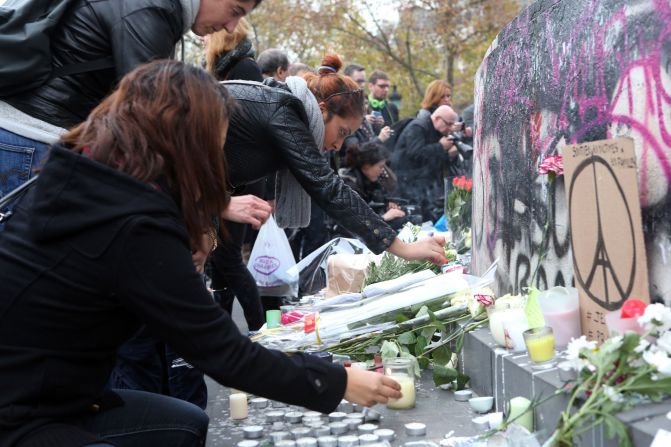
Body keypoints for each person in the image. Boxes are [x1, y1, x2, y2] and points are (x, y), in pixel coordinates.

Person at [0, 60, 402, 447]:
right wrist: (338, 382)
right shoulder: (134, 224)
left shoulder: (91, 182)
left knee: (186, 420)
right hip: (26, 416)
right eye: (219, 141)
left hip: (53, 393)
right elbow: (221, 351)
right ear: (188, 140)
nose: (220, 157)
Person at [0, 0, 263, 202]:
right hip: (33, 142)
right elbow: (148, 121)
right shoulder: (152, 8)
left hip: (27, 137)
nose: (231, 26)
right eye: (235, 10)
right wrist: (208, 206)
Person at [222, 53, 448, 264]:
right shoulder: (285, 111)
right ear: (322, 110)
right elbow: (329, 189)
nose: (338, 146)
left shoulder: (286, 107)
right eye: (342, 132)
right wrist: (404, 249)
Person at [391, 105, 461, 222]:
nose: (450, 128)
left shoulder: (436, 130)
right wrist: (440, 146)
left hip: (425, 184)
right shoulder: (418, 127)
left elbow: (432, 159)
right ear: (438, 118)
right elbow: (415, 154)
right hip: (408, 181)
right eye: (448, 124)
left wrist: (449, 155)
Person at [338, 141, 407, 228]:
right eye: (380, 166)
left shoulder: (369, 182)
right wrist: (385, 217)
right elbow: (353, 224)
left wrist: (386, 205)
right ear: (366, 165)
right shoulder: (349, 186)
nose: (382, 171)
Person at [367, 69, 399, 135]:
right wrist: (363, 122)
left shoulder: (392, 107)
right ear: (370, 86)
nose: (386, 90)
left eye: (387, 86)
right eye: (382, 86)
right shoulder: (360, 107)